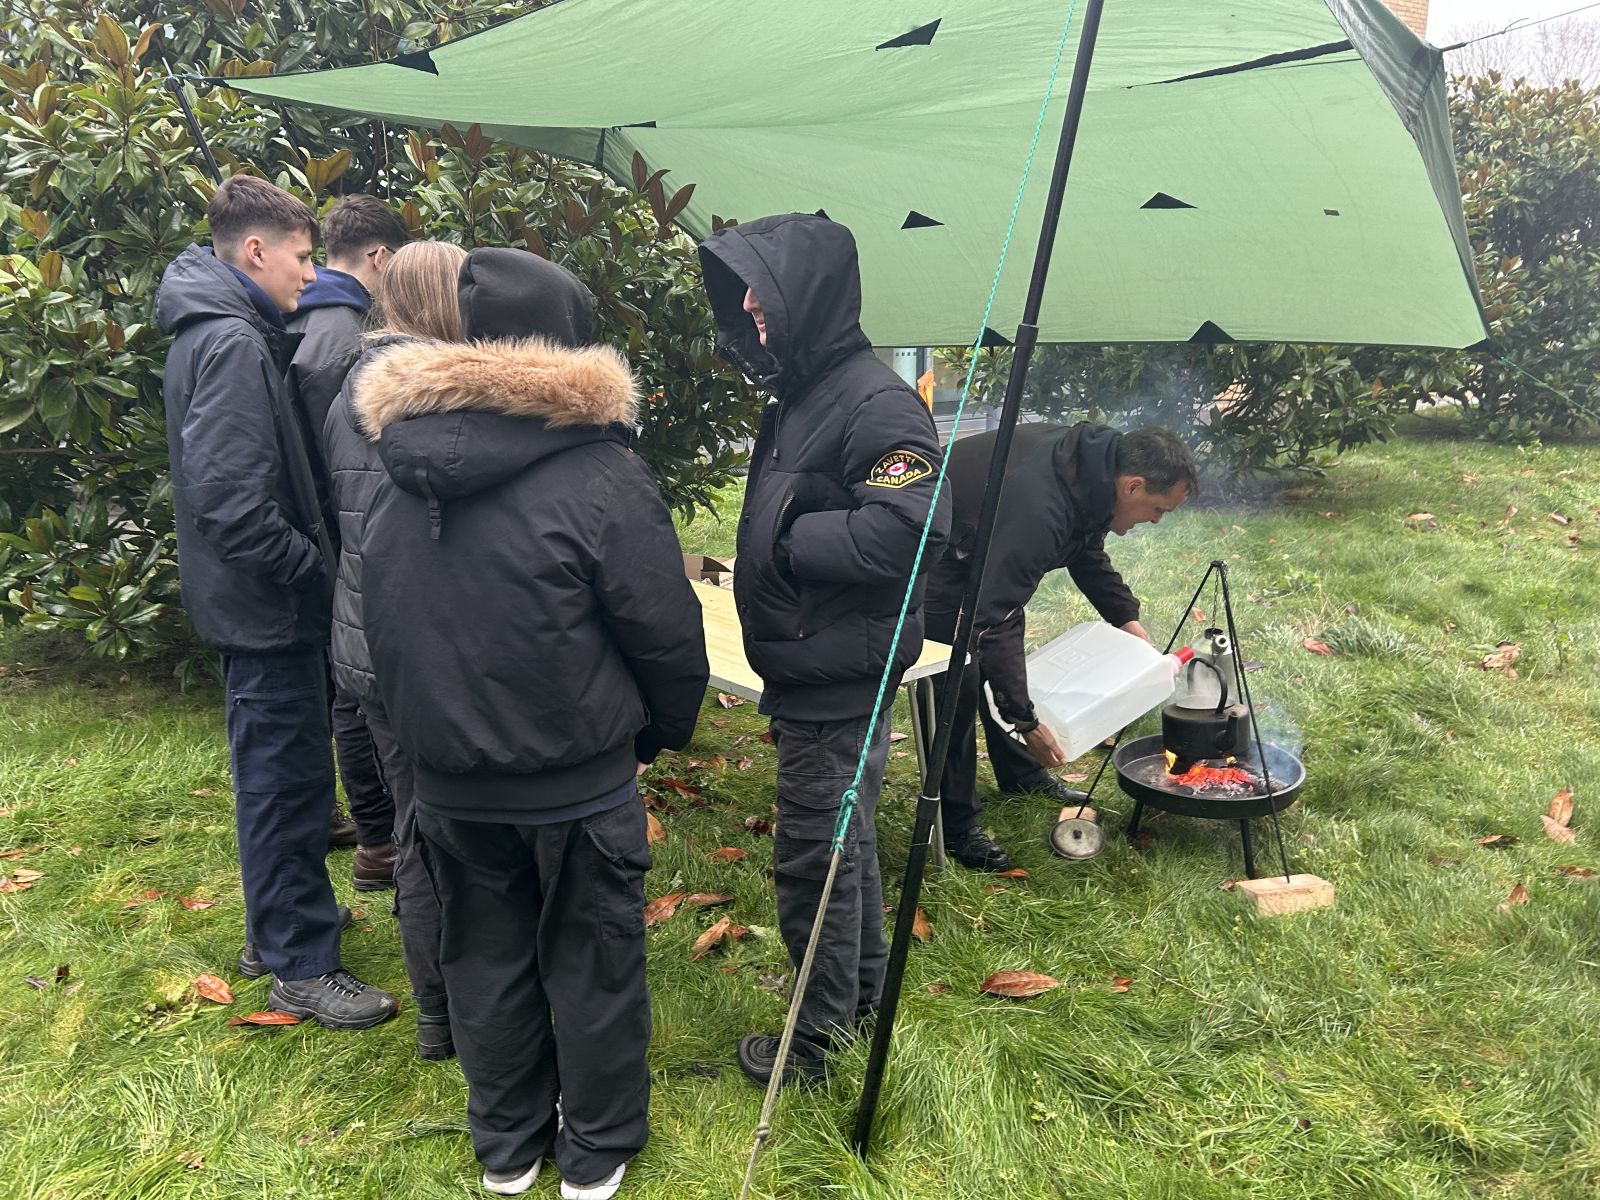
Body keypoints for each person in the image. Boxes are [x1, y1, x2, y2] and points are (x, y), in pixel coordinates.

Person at [355, 247, 708, 1199]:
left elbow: (381, 629)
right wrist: (655, 735)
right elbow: (667, 636)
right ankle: (593, 1155)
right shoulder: (602, 475)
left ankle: (508, 1146)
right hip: (573, 776)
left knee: (485, 958)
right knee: (591, 960)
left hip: (448, 780)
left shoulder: (394, 475)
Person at [698, 213, 949, 1087]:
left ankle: (813, 1043)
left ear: (811, 297)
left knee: (816, 858)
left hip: (840, 671)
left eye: (767, 296)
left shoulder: (873, 400)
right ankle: (860, 995)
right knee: (847, 848)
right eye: (746, 300)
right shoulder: (806, 392)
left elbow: (907, 534)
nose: (754, 314)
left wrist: (787, 540)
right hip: (822, 664)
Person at [156, 174, 396, 1030]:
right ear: (256, 250)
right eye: (300, 257)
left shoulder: (224, 329)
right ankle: (300, 961)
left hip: (255, 606)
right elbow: (232, 506)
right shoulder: (231, 344)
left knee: (276, 774)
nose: (307, 275)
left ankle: (275, 931)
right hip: (267, 611)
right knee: (287, 782)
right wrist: (317, 573)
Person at [924, 422, 1198, 871]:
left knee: (1000, 664)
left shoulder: (1091, 474)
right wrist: (1027, 721)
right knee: (958, 679)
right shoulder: (1041, 506)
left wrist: (1127, 620)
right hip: (938, 552)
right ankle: (955, 823)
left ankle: (1021, 776)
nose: (1155, 520)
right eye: (1157, 509)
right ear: (1134, 486)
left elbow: (1085, 551)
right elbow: (995, 618)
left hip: (987, 547)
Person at [322, 239, 465, 1060]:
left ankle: (438, 1013)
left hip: (362, 634)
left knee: (413, 825)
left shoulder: (352, 383)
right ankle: (450, 1008)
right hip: (411, 641)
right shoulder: (421, 392)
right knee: (441, 832)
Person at [286, 194, 414, 891]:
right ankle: (380, 839)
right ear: (380, 257)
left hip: (337, 527)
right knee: (359, 691)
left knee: (351, 684)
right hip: (348, 528)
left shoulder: (315, 315)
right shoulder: (339, 335)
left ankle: (374, 832)